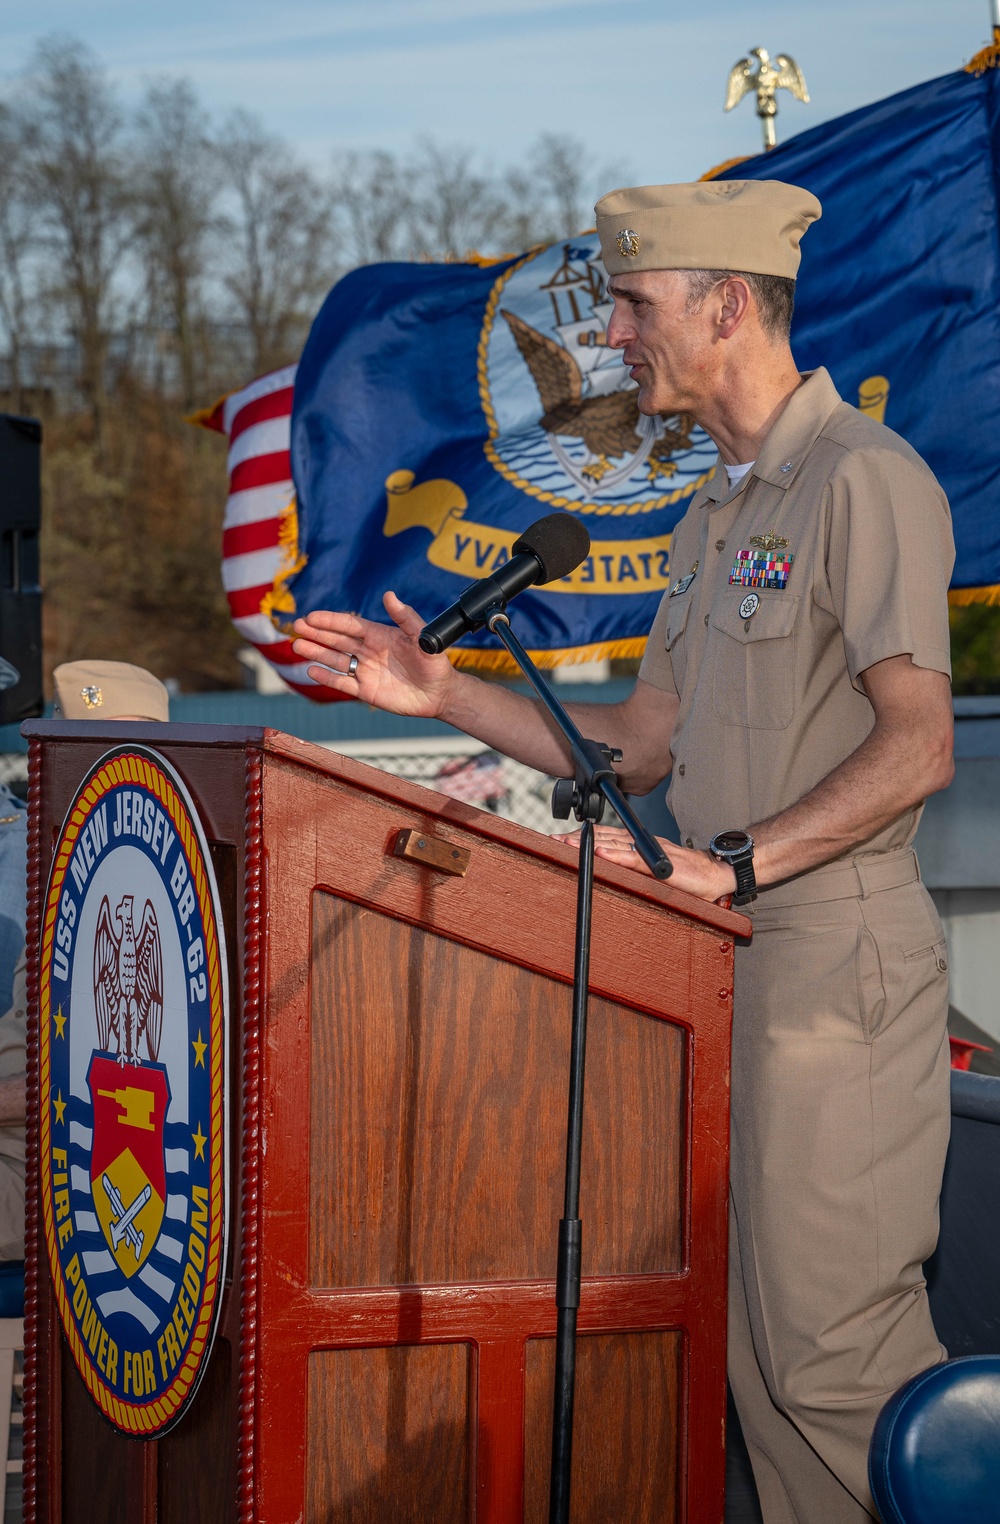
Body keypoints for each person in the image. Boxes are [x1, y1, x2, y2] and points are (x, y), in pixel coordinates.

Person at [291, 179, 955, 1523]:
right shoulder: (714, 513)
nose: (613, 338)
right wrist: (449, 695)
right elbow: (643, 743)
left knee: (837, 1368)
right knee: (760, 1373)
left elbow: (919, 746)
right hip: (721, 970)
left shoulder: (862, 479)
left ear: (727, 304)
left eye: (635, 305)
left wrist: (745, 864)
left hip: (834, 975)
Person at [0, 660, 171, 1263]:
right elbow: (25, 1038)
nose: (97, 773)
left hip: (96, 1199)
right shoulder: (56, 862)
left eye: (121, 749)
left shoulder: (193, 873)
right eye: (69, 749)